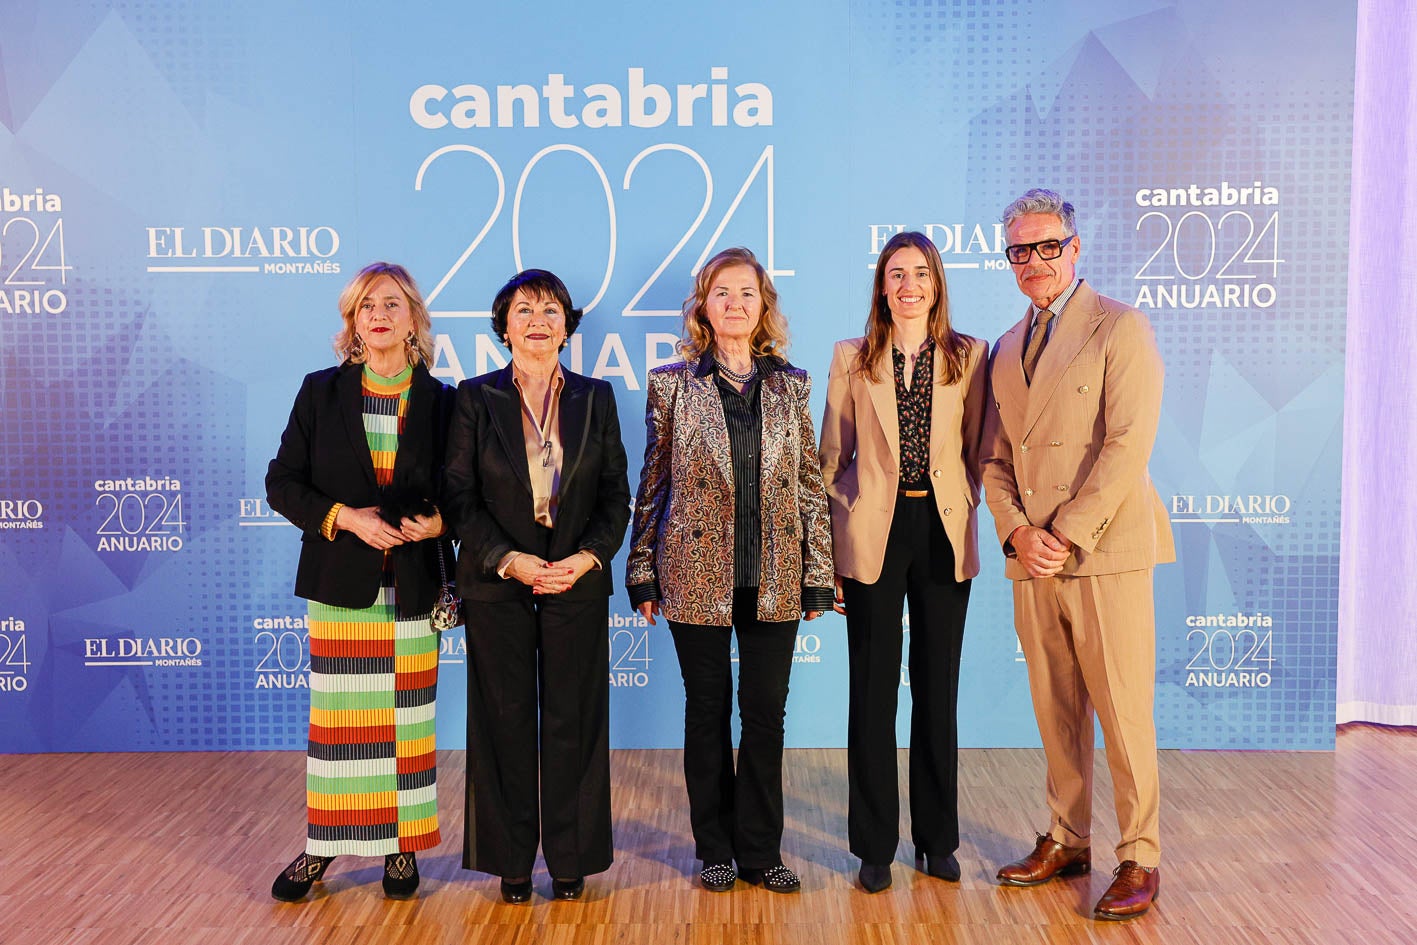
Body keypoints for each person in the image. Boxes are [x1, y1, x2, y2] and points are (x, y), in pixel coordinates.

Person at [981, 189, 1175, 920]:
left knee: (1123, 710)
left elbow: (1128, 445)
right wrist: (1016, 533)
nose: (1033, 261)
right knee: (1055, 707)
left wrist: (1065, 530)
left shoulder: (1120, 326)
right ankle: (1067, 837)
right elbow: (992, 459)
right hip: (1033, 559)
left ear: (1074, 247)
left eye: (1046, 246)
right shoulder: (1003, 347)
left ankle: (1139, 854)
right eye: (1019, 251)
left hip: (1102, 551)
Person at [626, 247, 833, 895]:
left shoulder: (790, 383)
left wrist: (818, 570)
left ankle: (759, 849)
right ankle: (713, 847)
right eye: (722, 292)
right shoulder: (671, 382)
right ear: (703, 306)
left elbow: (808, 485)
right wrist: (641, 570)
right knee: (706, 712)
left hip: (774, 574)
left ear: (763, 305)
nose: (735, 303)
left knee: (766, 717)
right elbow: (652, 481)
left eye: (747, 292)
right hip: (693, 573)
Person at [265, 261, 454, 902]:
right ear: (352, 320)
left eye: (393, 304)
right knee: (341, 729)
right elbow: (282, 483)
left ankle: (401, 851)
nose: (379, 314)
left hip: (413, 592)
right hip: (340, 589)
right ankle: (323, 846)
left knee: (406, 725)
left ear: (414, 321)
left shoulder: (444, 401)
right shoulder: (320, 392)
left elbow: (472, 495)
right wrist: (345, 519)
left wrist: (435, 528)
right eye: (367, 304)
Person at [443, 269, 631, 904]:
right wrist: (508, 559)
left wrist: (586, 559)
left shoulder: (595, 398)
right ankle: (512, 862)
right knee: (504, 722)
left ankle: (571, 857)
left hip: (574, 582)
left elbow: (615, 499)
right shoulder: (474, 398)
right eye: (524, 310)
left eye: (551, 310)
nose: (538, 320)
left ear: (567, 326)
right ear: (504, 326)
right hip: (499, 585)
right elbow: (459, 498)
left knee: (572, 724)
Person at [818, 232, 987, 893]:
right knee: (871, 691)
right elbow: (830, 459)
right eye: (896, 273)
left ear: (937, 283)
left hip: (941, 531)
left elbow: (979, 448)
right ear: (881, 286)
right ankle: (872, 846)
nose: (908, 283)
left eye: (920, 272)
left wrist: (963, 501)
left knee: (936, 690)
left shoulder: (967, 355)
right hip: (872, 536)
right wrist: (828, 553)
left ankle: (937, 839)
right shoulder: (851, 357)